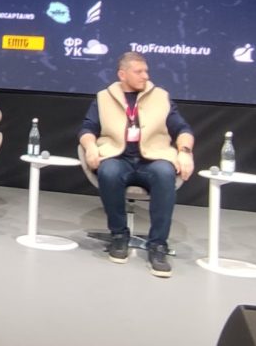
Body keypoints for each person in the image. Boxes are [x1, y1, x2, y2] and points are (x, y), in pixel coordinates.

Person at [79, 52, 193, 277]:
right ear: (122, 74)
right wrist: (90, 147)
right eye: (138, 72)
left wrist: (185, 152)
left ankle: (158, 245)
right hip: (118, 157)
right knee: (109, 171)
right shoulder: (104, 97)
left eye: (146, 71)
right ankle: (119, 236)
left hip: (153, 159)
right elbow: (87, 128)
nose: (145, 76)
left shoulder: (161, 97)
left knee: (164, 173)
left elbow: (182, 129)